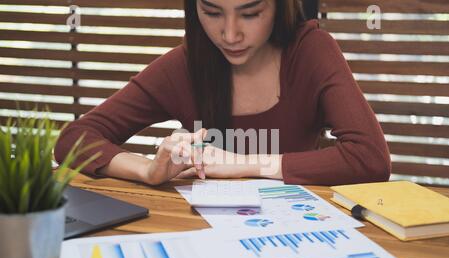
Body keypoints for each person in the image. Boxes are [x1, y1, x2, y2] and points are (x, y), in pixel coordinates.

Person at [55, 0, 391, 186]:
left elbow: (370, 159)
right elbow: (75, 138)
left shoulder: (311, 51)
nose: (229, 34)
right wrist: (146, 170)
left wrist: (242, 164)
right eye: (212, 12)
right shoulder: (184, 66)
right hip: (203, 240)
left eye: (250, 13)